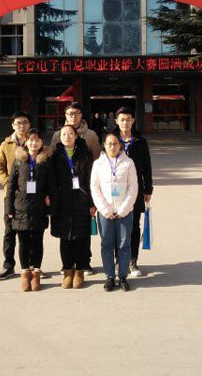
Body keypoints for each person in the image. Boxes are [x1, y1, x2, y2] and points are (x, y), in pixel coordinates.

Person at [49, 101, 101, 274]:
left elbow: (96, 160)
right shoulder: (57, 135)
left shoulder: (91, 135)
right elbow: (51, 162)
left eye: (76, 113)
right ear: (65, 115)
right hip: (64, 192)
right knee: (66, 229)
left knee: (82, 228)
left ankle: (84, 262)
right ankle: (68, 265)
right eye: (69, 113)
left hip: (84, 188)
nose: (73, 116)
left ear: (81, 115)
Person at [5, 128, 52, 292]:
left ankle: (36, 272)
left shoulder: (46, 161)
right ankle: (25, 273)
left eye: (37, 140)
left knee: (38, 241)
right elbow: (11, 186)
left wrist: (49, 200)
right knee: (23, 242)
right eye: (31, 140)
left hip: (39, 207)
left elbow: (51, 184)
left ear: (42, 142)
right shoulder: (19, 160)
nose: (34, 143)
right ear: (26, 142)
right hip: (21, 207)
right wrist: (9, 207)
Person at [91, 133, 138, 292]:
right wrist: (105, 209)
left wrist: (124, 209)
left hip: (124, 211)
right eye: (109, 144)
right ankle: (109, 276)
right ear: (104, 145)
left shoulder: (128, 163)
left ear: (120, 145)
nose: (112, 146)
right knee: (107, 244)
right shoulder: (98, 164)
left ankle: (123, 276)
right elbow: (95, 188)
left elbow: (133, 187)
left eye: (115, 143)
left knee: (124, 244)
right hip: (105, 213)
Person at [112, 106, 154, 278]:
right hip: (116, 190)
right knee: (117, 225)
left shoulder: (140, 141)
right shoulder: (111, 140)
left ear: (133, 121)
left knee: (134, 226)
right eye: (122, 119)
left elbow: (147, 167)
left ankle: (132, 260)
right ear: (116, 121)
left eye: (128, 119)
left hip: (135, 189)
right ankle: (118, 260)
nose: (125, 122)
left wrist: (148, 188)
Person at [0, 111, 31, 280]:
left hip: (30, 196)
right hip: (11, 196)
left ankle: (30, 266)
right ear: (13, 125)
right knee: (10, 231)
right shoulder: (6, 145)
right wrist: (8, 183)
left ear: (29, 124)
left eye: (25, 122)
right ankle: (8, 265)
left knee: (28, 232)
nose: (21, 126)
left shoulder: (34, 142)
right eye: (18, 123)